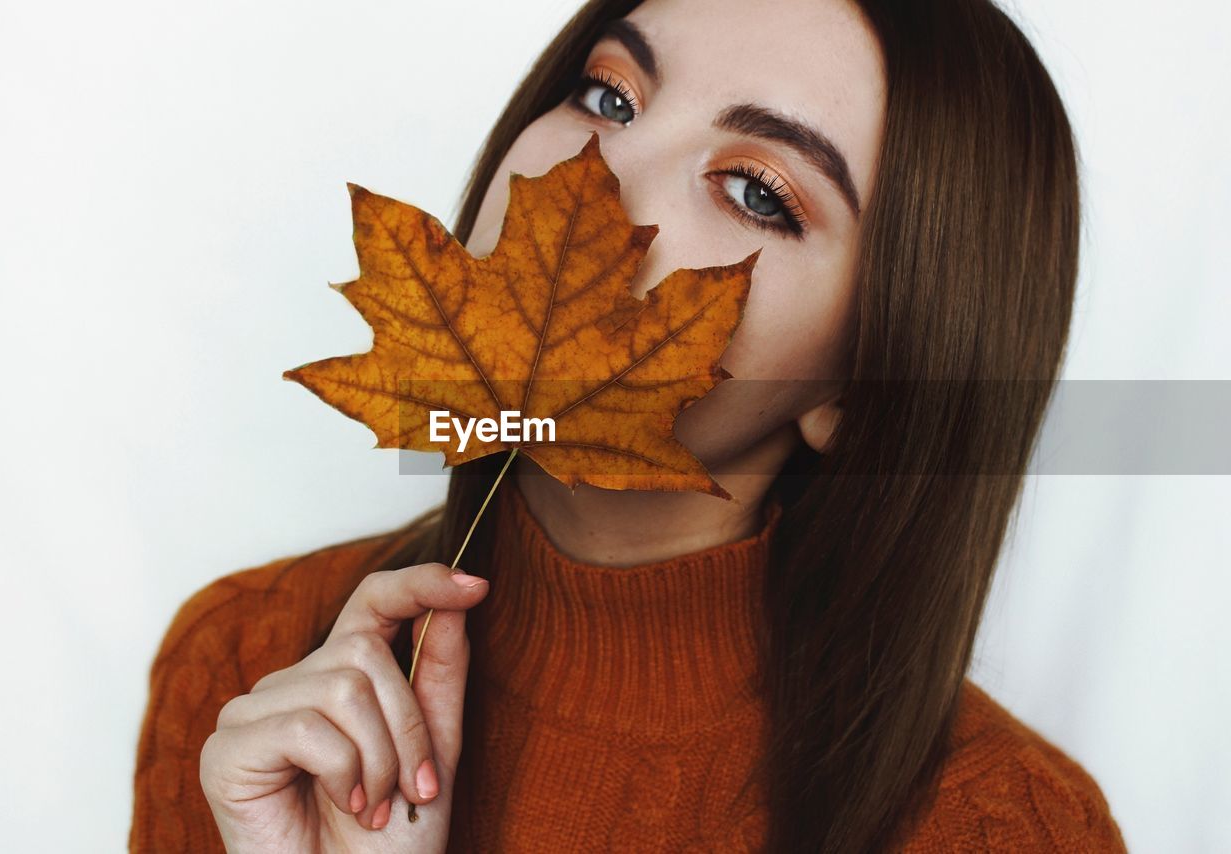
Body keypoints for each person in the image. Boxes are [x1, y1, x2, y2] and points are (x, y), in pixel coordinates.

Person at [130, 0, 1128, 850]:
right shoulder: (246, 666)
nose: (601, 176)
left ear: (859, 390)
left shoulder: (993, 824)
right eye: (608, 95)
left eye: (755, 192)